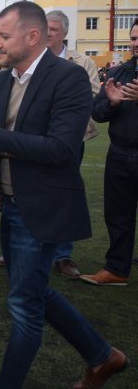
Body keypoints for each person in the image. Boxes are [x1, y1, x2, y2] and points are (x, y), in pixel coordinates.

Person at [0, 1, 128, 389]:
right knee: (33, 291)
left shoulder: (69, 77)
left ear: (33, 36)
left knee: (24, 304)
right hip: (11, 203)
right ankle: (103, 357)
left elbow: (61, 149)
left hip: (42, 207)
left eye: (4, 36)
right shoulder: (4, 80)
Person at [81, 17, 138, 287]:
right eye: (134, 38)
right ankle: (117, 269)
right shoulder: (119, 73)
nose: (136, 43)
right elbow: (98, 113)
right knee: (118, 214)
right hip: (120, 154)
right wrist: (112, 103)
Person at [45, 10, 101, 279]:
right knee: (31, 190)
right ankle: (29, 246)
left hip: (68, 140)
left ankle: (62, 255)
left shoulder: (82, 62)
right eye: (44, 28)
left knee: (65, 193)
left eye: (53, 29)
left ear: (65, 33)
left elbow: (92, 97)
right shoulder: (30, 60)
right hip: (33, 138)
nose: (47, 33)